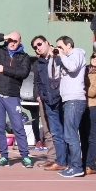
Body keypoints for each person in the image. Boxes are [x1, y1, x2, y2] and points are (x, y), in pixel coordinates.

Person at [0, 32, 33, 168]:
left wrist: (4, 69)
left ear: (20, 42)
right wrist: (3, 36)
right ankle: (4, 156)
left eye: (15, 41)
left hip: (12, 96)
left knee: (18, 127)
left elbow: (23, 73)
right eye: (10, 40)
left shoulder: (24, 57)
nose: (12, 43)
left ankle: (25, 156)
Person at [53, 35, 88, 178]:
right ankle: (73, 165)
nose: (58, 49)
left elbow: (73, 67)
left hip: (75, 99)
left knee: (71, 135)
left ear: (69, 45)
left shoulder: (77, 54)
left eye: (60, 46)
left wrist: (61, 56)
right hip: (67, 99)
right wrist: (55, 58)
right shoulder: (64, 58)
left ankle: (77, 167)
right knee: (68, 134)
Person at [30, 36, 63, 170]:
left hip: (60, 99)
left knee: (61, 130)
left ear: (47, 42)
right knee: (48, 130)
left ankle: (63, 158)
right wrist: (38, 95)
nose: (38, 48)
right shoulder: (38, 63)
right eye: (35, 47)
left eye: (39, 44)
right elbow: (36, 81)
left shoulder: (59, 56)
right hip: (45, 99)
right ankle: (52, 158)